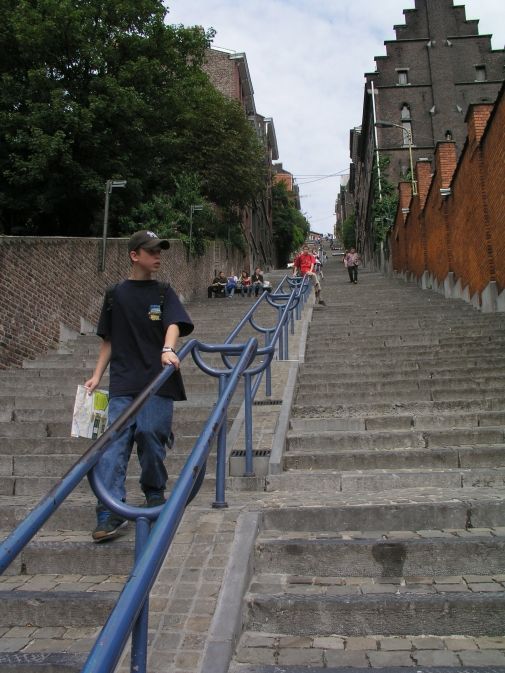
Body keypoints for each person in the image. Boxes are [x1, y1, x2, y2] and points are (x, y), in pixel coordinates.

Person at [85, 230, 194, 542]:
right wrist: (96, 375)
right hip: (123, 383)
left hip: (158, 381)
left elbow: (174, 323)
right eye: (152, 251)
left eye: (159, 251)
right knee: (113, 448)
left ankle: (155, 494)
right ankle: (109, 511)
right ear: (135, 255)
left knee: (149, 435)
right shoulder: (115, 294)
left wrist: (168, 348)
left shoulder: (163, 291)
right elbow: (109, 339)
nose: (158, 256)